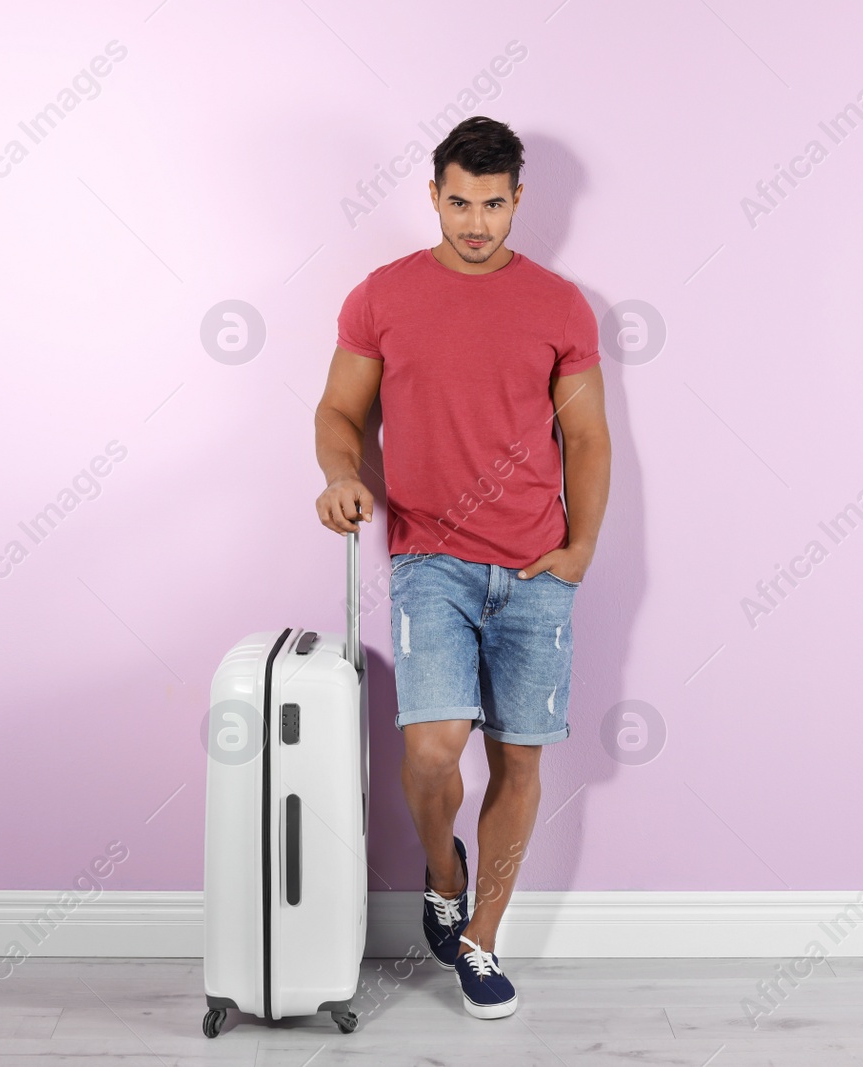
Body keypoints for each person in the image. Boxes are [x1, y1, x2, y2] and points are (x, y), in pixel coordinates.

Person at [312, 115, 611, 1019]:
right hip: (429, 560)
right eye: (458, 201)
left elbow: (588, 435)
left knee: (519, 760)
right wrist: (337, 476)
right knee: (434, 749)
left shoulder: (561, 305)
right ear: (432, 194)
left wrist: (579, 551)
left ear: (519, 198)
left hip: (534, 569)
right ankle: (442, 868)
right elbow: (338, 410)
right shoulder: (382, 295)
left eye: (492, 204)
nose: (475, 222)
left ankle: (479, 940)